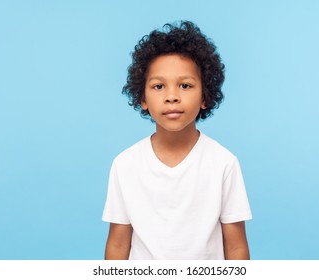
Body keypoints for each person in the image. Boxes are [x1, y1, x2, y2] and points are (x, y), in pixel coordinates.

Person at [102, 21, 252, 260]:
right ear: (142, 97)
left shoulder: (224, 163)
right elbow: (118, 245)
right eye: (159, 86)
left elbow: (235, 247)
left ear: (205, 96)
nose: (172, 96)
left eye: (185, 85)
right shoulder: (125, 164)